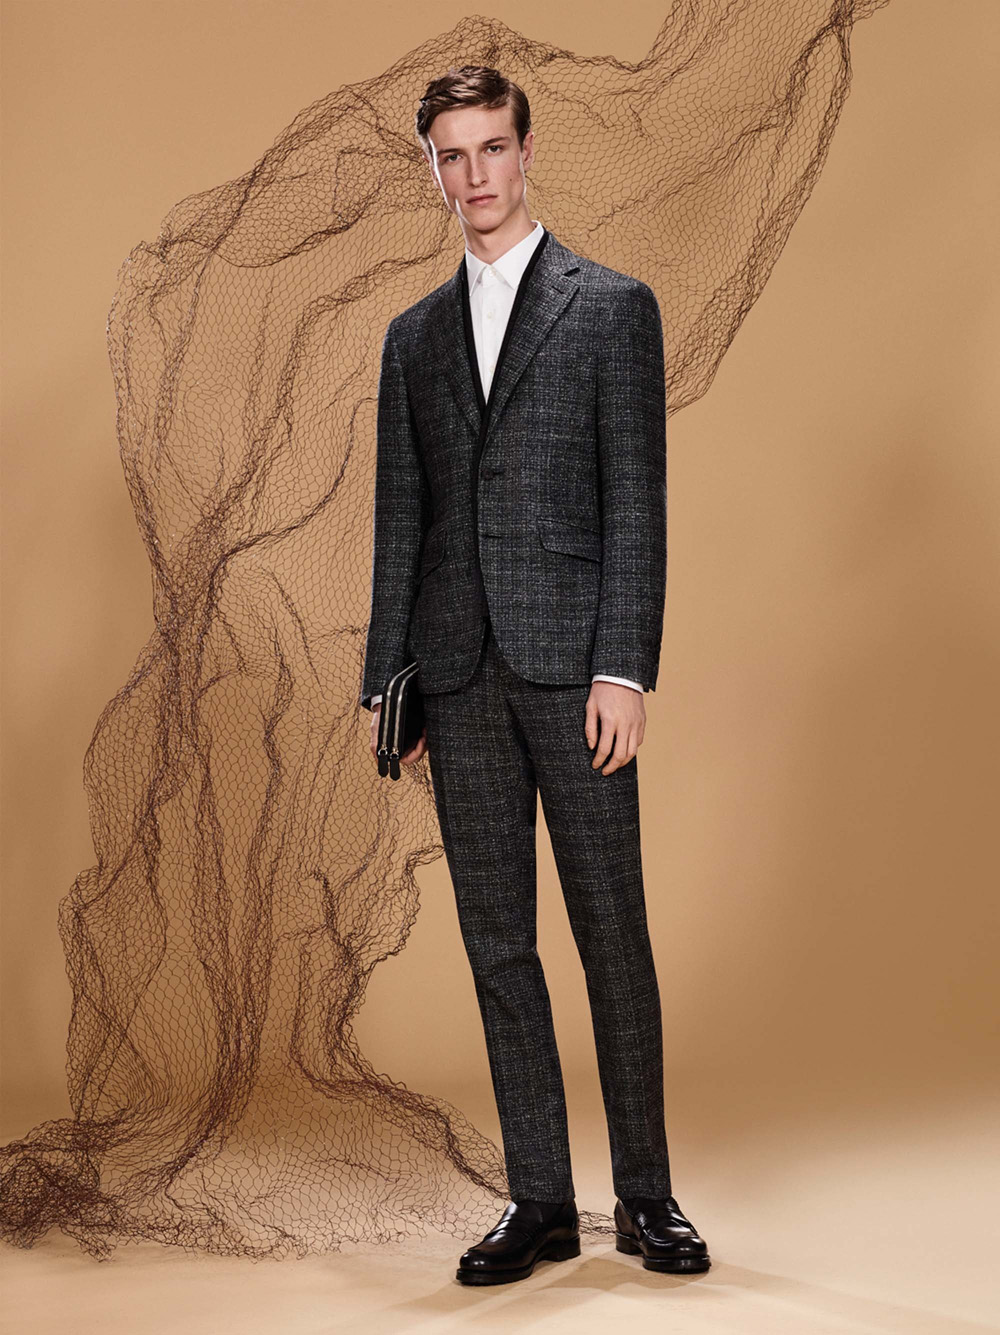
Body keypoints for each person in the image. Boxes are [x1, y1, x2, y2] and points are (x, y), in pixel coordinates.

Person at [361, 64, 710, 1285]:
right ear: (432, 169)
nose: (475, 176)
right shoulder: (411, 339)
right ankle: (541, 1200)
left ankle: (647, 1195)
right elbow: (399, 521)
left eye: (492, 149)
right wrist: (388, 681)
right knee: (498, 944)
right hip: (457, 676)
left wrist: (624, 669)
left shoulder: (612, 309)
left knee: (612, 931)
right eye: (451, 156)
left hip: (574, 672)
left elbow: (637, 507)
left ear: (525, 152)